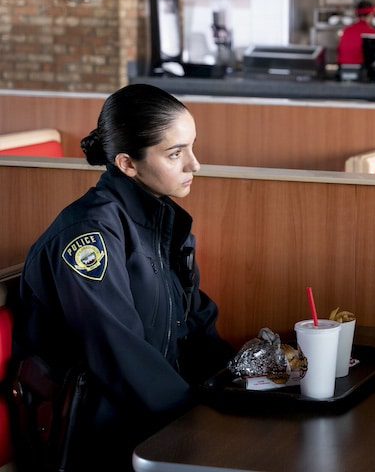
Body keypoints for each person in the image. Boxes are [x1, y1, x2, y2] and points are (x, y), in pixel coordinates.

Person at [14, 84, 234, 470]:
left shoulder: (161, 221)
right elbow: (119, 355)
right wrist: (198, 420)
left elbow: (197, 324)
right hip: (101, 439)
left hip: (157, 421)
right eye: (175, 153)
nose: (194, 164)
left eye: (191, 147)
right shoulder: (87, 236)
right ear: (127, 164)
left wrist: (248, 384)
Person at [336, 0, 375, 68]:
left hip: (342, 69)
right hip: (362, 71)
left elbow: (339, 50)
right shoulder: (372, 33)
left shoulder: (346, 30)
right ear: (371, 14)